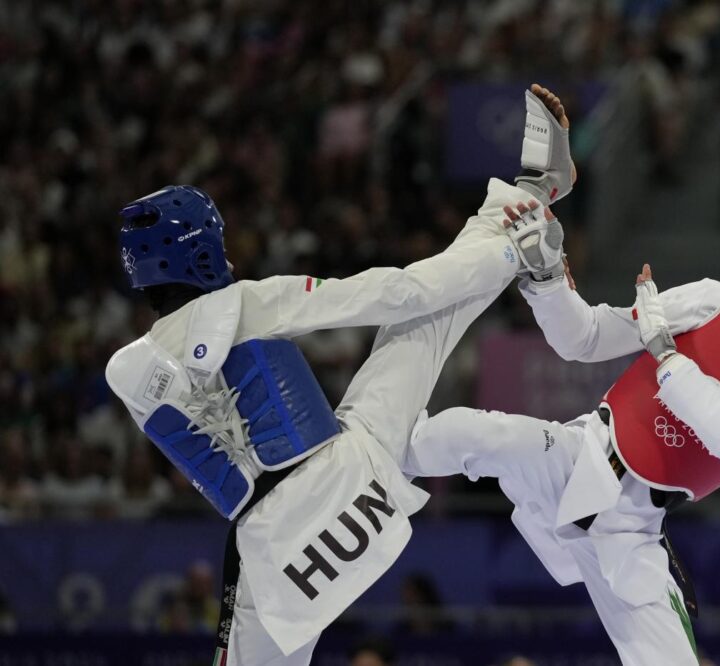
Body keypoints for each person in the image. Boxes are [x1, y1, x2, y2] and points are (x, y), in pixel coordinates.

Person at [104, 84, 574, 664]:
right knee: (418, 324)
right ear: (202, 252)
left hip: (272, 552)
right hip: (346, 477)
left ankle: (527, 208)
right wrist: (507, 258)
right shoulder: (249, 301)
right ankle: (527, 207)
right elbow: (401, 293)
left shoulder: (126, 372)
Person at [404, 219, 720, 664]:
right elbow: (585, 339)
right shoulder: (715, 299)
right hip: (584, 453)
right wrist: (547, 282)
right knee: (475, 433)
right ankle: (379, 461)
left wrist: (667, 356)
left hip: (633, 530)